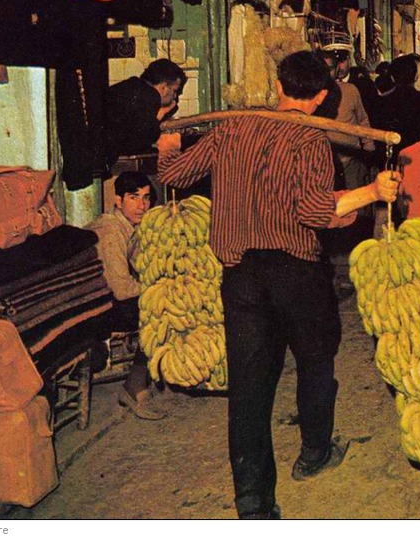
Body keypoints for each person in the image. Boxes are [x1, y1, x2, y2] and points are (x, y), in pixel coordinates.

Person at [158, 51, 400, 519]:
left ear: (279, 85)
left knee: (248, 388)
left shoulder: (230, 127)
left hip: (241, 277)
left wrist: (167, 147)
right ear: (324, 96)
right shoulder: (309, 139)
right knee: (315, 360)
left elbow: (172, 175)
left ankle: (253, 503)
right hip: (296, 271)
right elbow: (314, 212)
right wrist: (372, 193)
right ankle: (314, 453)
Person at [85, 172, 166, 420]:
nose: (142, 205)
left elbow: (139, 268)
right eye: (133, 198)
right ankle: (135, 389)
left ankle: (138, 383)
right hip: (93, 308)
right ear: (118, 201)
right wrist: (158, 289)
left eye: (146, 198)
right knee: (157, 311)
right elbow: (121, 289)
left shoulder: (130, 227)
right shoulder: (110, 230)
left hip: (108, 299)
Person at [105, 58, 186, 168]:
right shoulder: (151, 97)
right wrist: (161, 114)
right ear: (164, 87)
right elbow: (137, 144)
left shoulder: (133, 85)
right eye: (174, 91)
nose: (174, 96)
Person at [318, 44, 375, 190]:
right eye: (321, 70)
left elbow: (362, 120)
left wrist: (369, 147)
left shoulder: (350, 91)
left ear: (336, 69)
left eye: (329, 69)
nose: (325, 74)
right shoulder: (310, 95)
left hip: (350, 160)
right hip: (321, 162)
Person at [369, 55, 420, 151]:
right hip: (418, 156)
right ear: (416, 77)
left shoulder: (380, 102)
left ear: (392, 78)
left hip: (389, 157)